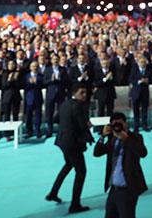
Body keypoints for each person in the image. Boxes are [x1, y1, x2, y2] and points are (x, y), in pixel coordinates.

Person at [47, 83, 93, 214]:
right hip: (72, 143)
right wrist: (87, 127)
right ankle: (75, 204)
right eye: (82, 93)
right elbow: (82, 125)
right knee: (81, 171)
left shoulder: (65, 103)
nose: (84, 95)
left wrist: (67, 125)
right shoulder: (78, 106)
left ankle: (53, 193)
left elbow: (56, 119)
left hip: (62, 141)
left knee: (68, 165)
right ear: (75, 93)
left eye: (85, 92)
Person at [93, 112, 148, 218]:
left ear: (126, 124)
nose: (117, 126)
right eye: (115, 124)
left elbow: (143, 153)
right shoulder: (112, 140)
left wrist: (126, 139)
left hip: (128, 189)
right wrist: (102, 136)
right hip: (113, 189)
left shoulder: (136, 137)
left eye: (120, 123)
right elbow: (97, 153)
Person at [43, 54, 68, 137]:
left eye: (57, 59)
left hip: (60, 94)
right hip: (50, 94)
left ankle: (61, 130)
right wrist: (51, 80)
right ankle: (49, 131)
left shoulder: (63, 69)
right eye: (54, 59)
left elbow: (66, 81)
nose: (55, 61)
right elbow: (44, 82)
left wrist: (60, 79)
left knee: (61, 112)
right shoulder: (47, 69)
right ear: (51, 60)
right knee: (49, 113)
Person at [23, 61, 44, 139]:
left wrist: (36, 82)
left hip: (38, 98)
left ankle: (38, 131)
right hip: (29, 98)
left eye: (36, 66)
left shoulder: (40, 76)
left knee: (38, 116)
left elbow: (43, 85)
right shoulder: (26, 76)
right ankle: (29, 132)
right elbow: (24, 86)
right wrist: (30, 83)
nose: (34, 68)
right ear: (30, 67)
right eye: (33, 66)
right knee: (28, 116)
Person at [129, 57, 151, 132]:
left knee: (145, 110)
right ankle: (136, 126)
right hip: (136, 92)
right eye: (141, 62)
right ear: (138, 63)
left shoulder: (148, 71)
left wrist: (147, 81)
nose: (143, 64)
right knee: (136, 110)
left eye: (144, 62)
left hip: (145, 93)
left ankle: (145, 125)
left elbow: (151, 79)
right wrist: (139, 81)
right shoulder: (134, 70)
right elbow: (131, 79)